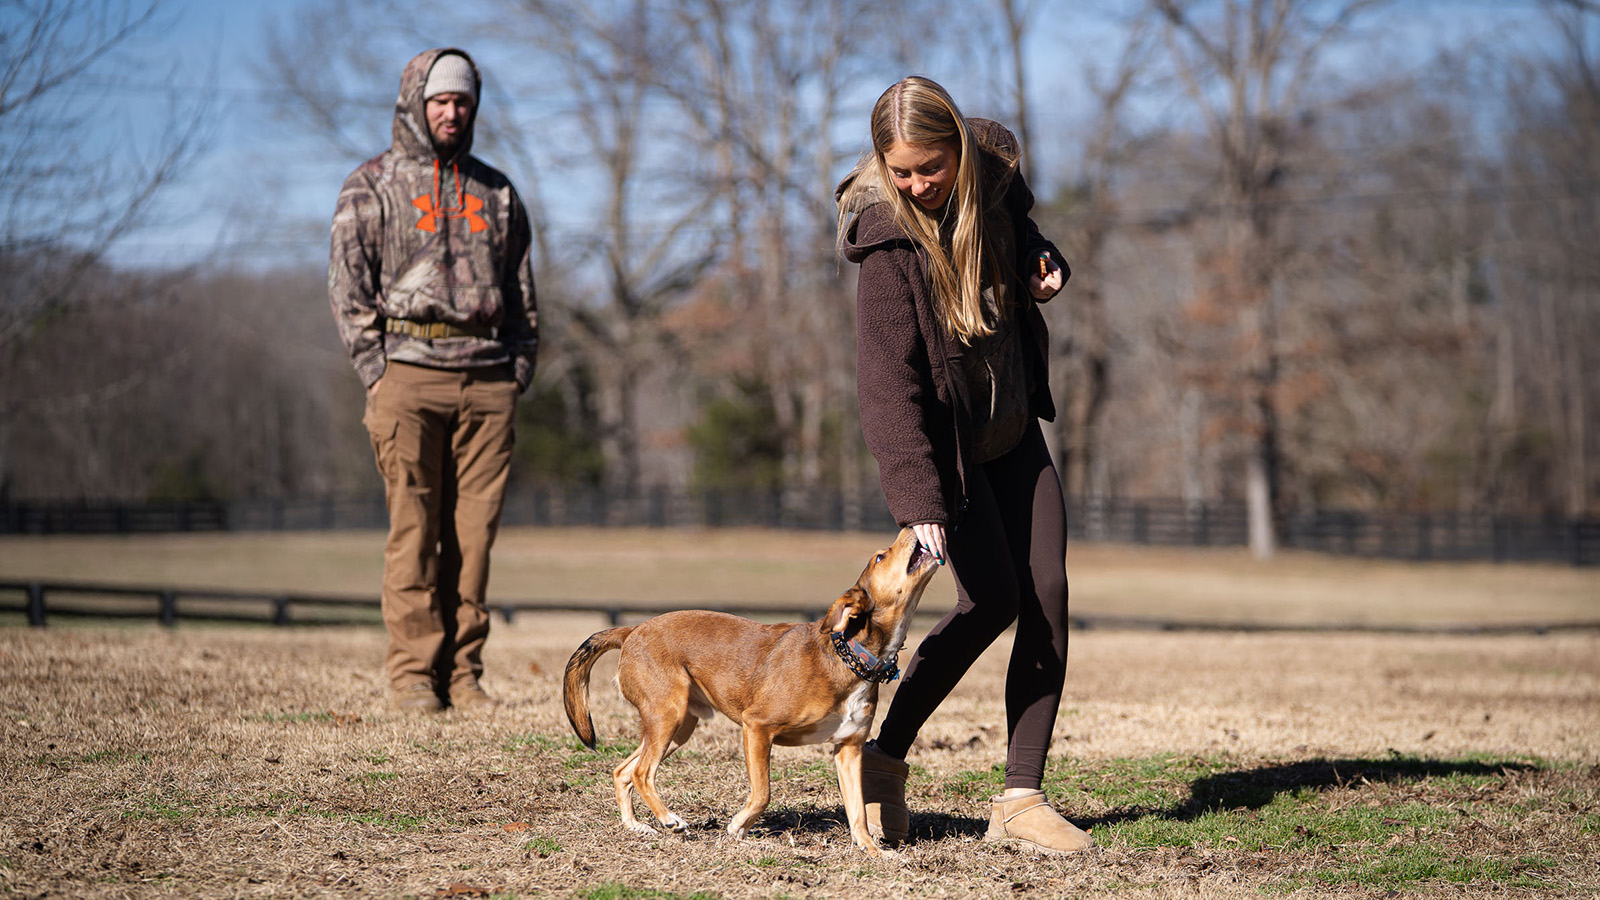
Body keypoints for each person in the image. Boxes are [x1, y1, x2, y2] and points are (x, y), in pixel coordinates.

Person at [834, 76, 1091, 854]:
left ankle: (1020, 797)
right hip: (948, 457)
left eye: (930, 167)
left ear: (960, 153)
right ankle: (881, 760)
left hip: (1012, 426)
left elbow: (1025, 231)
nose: (915, 184)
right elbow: (888, 390)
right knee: (990, 602)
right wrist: (921, 501)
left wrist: (1045, 261)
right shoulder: (887, 246)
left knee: (1046, 591)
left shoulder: (995, 183)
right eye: (899, 170)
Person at [328, 48, 537, 713]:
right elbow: (346, 286)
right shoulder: (370, 186)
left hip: (487, 382)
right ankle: (414, 676)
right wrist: (376, 370)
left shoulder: (497, 192)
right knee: (414, 530)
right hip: (407, 376)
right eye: (441, 100)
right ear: (415, 102)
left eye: (463, 101)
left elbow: (521, 293)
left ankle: (464, 675)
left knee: (473, 537)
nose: (452, 111)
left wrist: (517, 367)